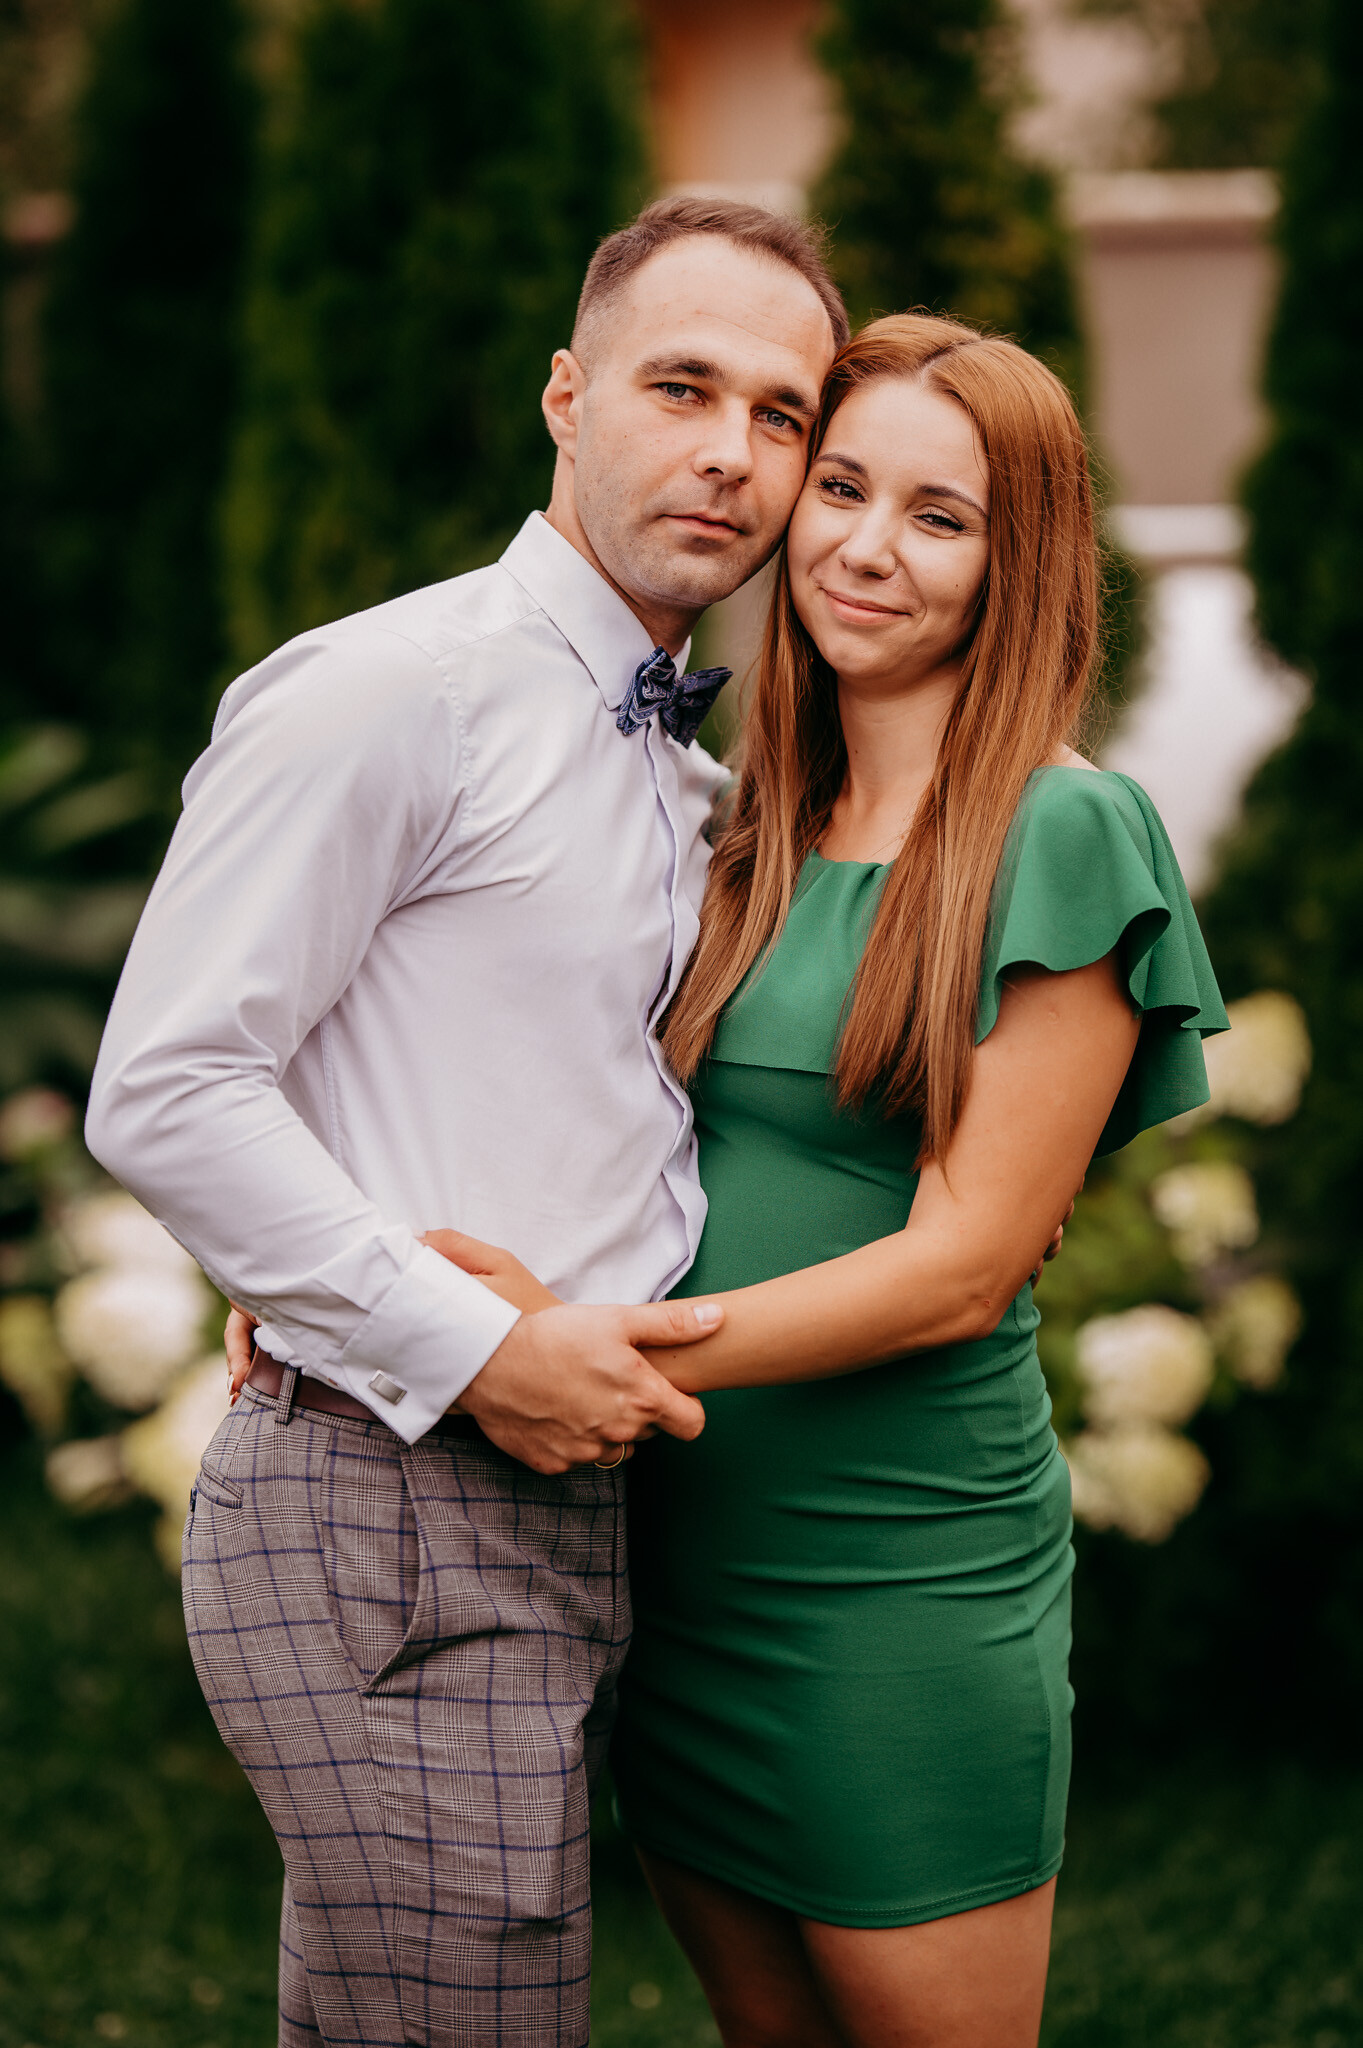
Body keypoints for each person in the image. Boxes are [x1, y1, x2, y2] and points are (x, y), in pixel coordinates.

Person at [83, 196, 849, 2048]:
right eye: (682, 388)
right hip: (387, 1496)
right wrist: (475, 1343)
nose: (731, 453)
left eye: (782, 414)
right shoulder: (392, 690)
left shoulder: (687, 774)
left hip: (579, 1500)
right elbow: (167, 1085)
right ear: (567, 398)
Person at [431, 314, 1228, 2048]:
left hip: (899, 1582)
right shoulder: (746, 826)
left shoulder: (1061, 830)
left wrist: (599, 1355)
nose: (867, 547)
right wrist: (355, 1289)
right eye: (844, 488)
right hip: (684, 1573)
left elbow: (963, 1264)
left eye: (940, 517)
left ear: (1021, 561)